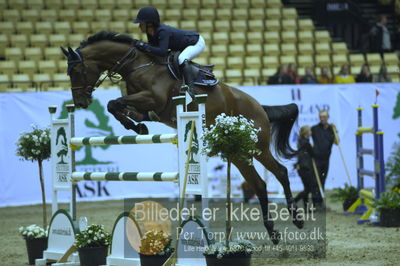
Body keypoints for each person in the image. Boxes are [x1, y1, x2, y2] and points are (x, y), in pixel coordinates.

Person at [132, 6, 206, 98]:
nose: (139, 26)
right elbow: (153, 49)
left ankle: (191, 89)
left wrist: (144, 45)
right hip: (183, 44)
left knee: (182, 59)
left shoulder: (162, 31)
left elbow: (162, 51)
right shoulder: (151, 33)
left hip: (196, 42)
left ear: (149, 24)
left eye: (141, 23)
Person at [311, 110, 338, 190]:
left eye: (324, 117)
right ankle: (316, 200)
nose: (322, 119)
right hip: (316, 158)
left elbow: (337, 142)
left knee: (323, 180)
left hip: (326, 159)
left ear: (328, 117)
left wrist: (335, 130)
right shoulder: (314, 128)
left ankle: (321, 200)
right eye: (320, 117)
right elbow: (304, 136)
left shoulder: (331, 129)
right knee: (316, 180)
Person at [294, 126, 320, 208]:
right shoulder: (306, 143)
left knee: (307, 188)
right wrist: (313, 147)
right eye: (309, 131)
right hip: (305, 168)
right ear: (306, 133)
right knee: (309, 189)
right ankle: (294, 200)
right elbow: (314, 154)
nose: (311, 132)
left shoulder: (301, 142)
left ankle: (305, 207)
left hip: (302, 168)